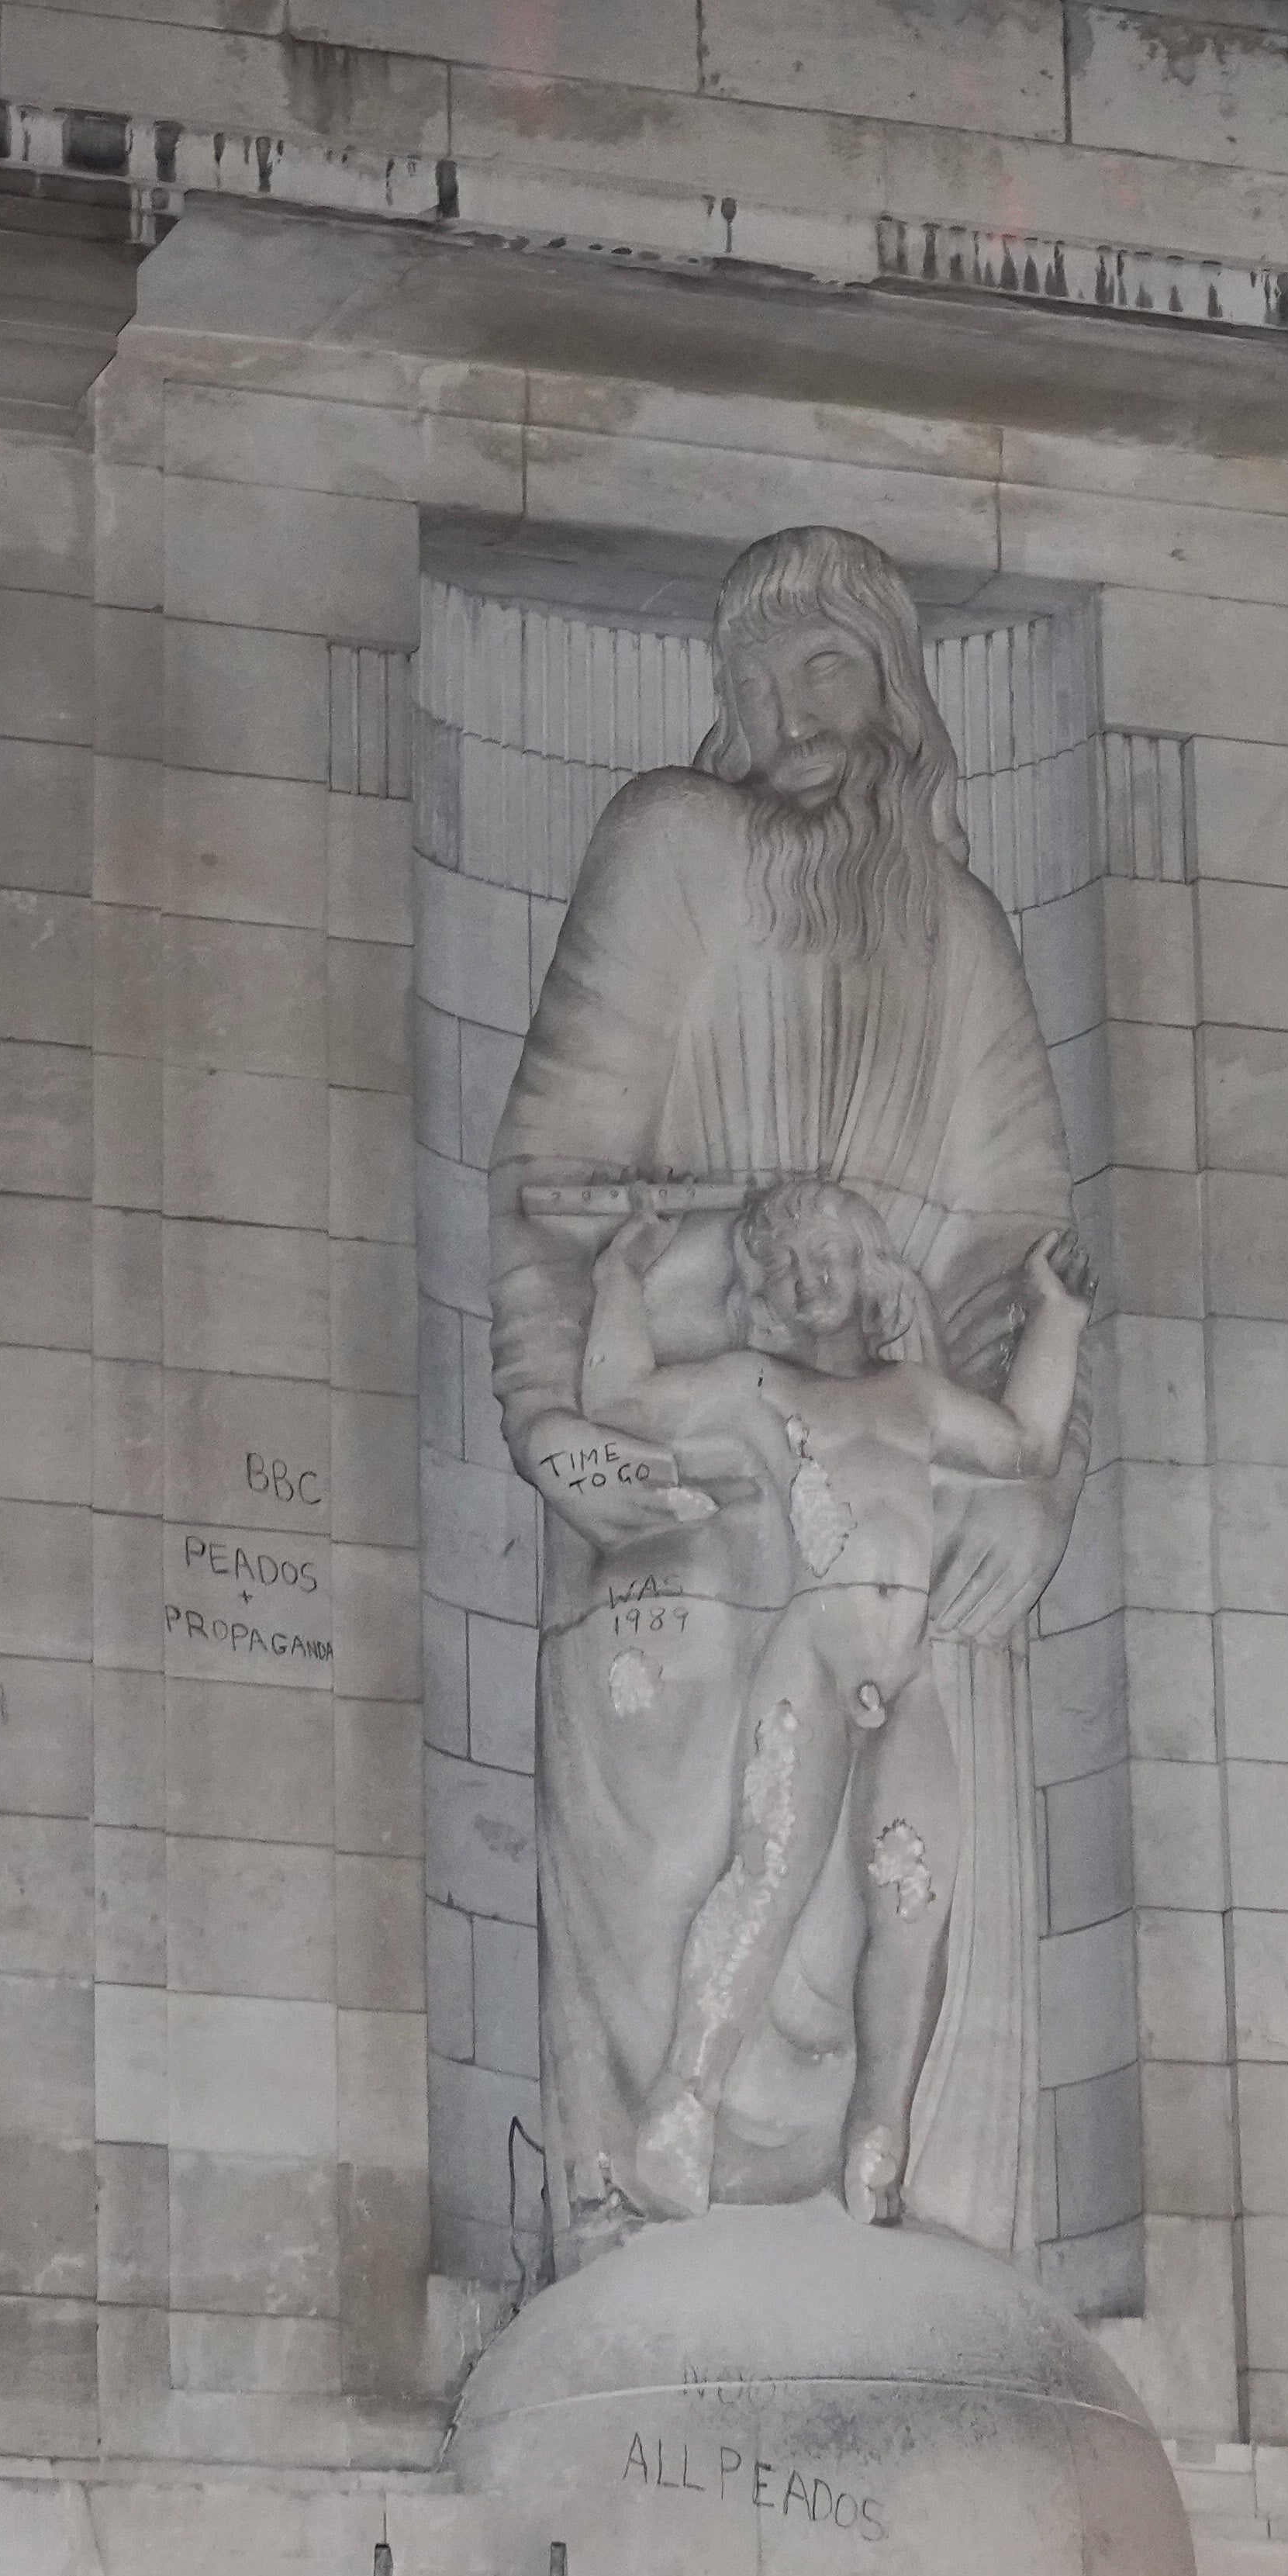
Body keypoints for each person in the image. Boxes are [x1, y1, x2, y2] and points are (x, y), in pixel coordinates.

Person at [490, 524, 1083, 2257]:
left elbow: (1018, 1254)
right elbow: (555, 1168)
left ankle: (890, 2185)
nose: (785, 707)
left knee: (899, 1891)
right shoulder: (671, 848)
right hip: (688, 1438)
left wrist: (1036, 1499)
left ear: (893, 688)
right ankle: (657, 2197)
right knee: (711, 1864)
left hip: (905, 1506)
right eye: (756, 679)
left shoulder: (962, 934)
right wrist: (554, 1420)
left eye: (823, 663)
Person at [582, 1184, 1089, 2225]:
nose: (815, 1281)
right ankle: (680, 2112)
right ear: (767, 1287)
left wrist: (1058, 1319)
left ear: (866, 1270)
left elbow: (1027, 1445)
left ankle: (881, 2139)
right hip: (814, 1652)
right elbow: (621, 1399)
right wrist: (617, 1276)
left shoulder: (914, 1397)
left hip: (911, 1667)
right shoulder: (763, 1386)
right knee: (768, 1881)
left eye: (831, 1260)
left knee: (913, 1905)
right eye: (793, 1267)